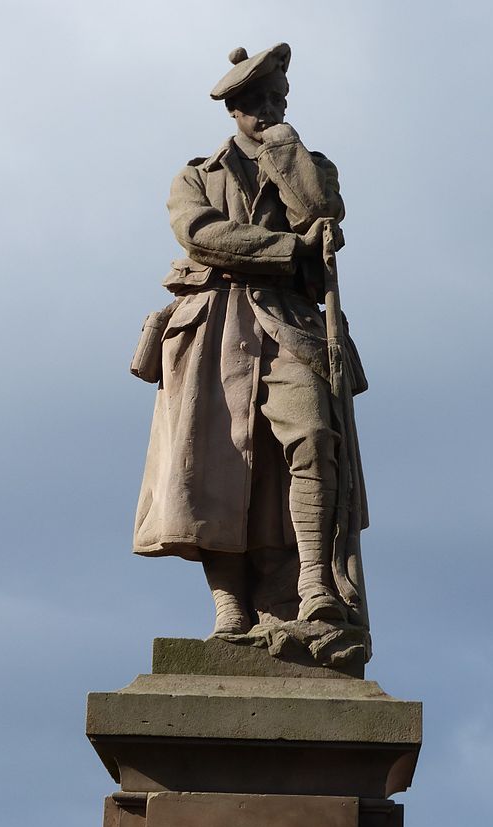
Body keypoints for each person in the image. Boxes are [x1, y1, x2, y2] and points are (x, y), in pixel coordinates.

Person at [133, 43, 370, 648]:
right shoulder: (197, 175)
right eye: (257, 102)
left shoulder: (311, 164)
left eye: (277, 100)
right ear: (233, 109)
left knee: (315, 437)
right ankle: (230, 608)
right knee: (217, 468)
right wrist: (287, 250)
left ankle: (316, 584)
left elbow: (322, 214)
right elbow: (201, 234)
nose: (268, 110)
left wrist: (286, 150)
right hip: (214, 323)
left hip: (289, 321)